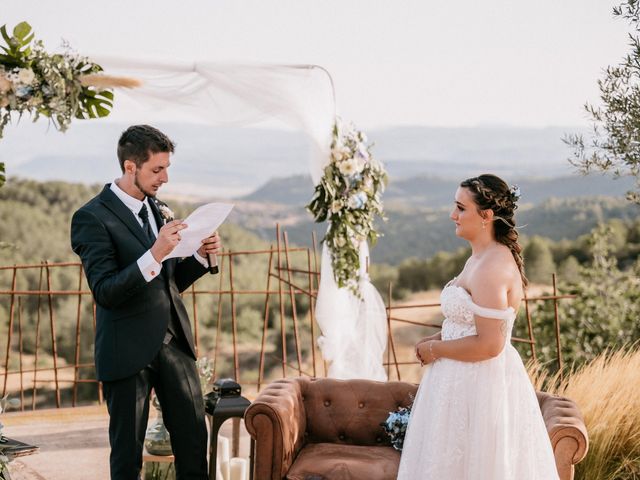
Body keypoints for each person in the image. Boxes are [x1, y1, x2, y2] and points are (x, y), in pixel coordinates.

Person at [71, 125, 221, 480]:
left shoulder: (160, 209)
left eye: (167, 168)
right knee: (127, 458)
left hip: (175, 347)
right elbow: (105, 291)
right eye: (157, 169)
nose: (165, 177)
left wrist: (200, 258)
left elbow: (168, 284)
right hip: (125, 352)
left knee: (194, 445)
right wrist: (154, 252)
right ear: (129, 167)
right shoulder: (91, 217)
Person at [397, 174, 559, 479]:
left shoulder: (493, 267)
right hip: (458, 384)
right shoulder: (478, 258)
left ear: (486, 216)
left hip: (479, 388)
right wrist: (439, 336)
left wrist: (434, 349)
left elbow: (489, 345)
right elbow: (468, 322)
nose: (452, 215)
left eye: (460, 208)